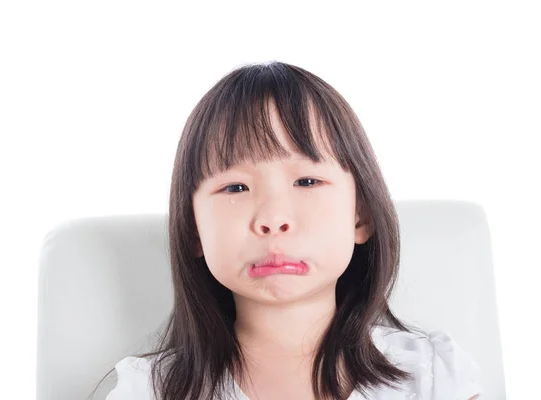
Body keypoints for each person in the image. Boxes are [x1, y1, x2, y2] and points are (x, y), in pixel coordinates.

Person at [100, 61, 482, 399]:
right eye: (235, 188)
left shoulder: (430, 376)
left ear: (360, 218)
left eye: (307, 182)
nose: (273, 219)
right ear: (194, 231)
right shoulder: (152, 389)